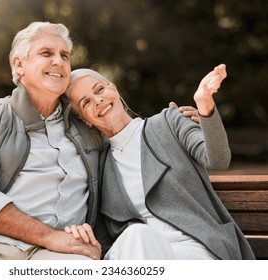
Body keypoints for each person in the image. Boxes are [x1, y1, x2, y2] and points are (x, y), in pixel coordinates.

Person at [0, 21, 103, 260]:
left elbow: (130, 141)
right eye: (46, 53)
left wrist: (173, 123)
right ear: (19, 64)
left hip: (56, 254)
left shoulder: (87, 125)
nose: (59, 61)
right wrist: (49, 236)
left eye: (65, 55)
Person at [64, 64, 256, 260]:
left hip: (193, 250)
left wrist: (204, 103)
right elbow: (104, 237)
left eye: (99, 89)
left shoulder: (168, 123)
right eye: (86, 102)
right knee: (138, 235)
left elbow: (218, 159)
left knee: (139, 238)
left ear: (114, 88)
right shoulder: (99, 167)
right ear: (85, 119)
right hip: (136, 254)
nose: (98, 100)